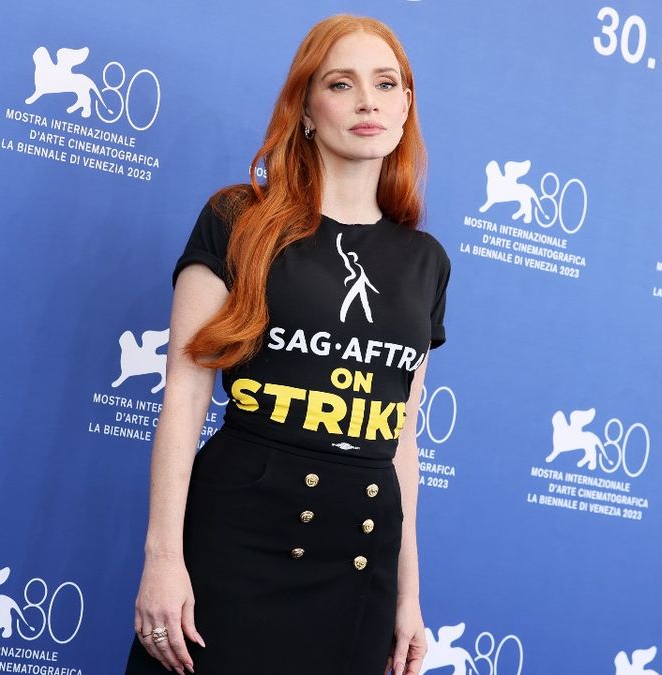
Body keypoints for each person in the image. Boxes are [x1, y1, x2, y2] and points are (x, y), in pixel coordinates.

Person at [125, 14, 450, 675]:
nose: (368, 102)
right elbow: (184, 401)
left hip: (359, 560)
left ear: (406, 105)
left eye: (387, 84)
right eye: (342, 83)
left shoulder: (425, 261)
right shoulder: (236, 221)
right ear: (305, 109)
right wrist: (163, 559)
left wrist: (409, 595)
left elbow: (402, 436)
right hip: (238, 540)